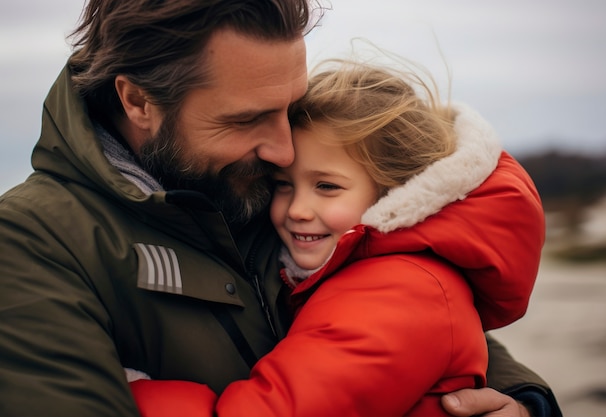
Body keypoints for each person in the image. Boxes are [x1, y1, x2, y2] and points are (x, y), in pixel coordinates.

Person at [0, 1, 561, 416]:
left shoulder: (268, 184)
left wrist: (522, 403)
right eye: (245, 120)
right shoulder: (32, 242)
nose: (283, 150)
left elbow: (415, 314)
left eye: (289, 109)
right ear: (138, 101)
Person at [127, 59, 553, 417]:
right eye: (282, 184)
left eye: (327, 186)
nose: (297, 209)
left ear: (397, 192)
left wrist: (127, 395)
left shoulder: (401, 292)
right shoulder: (372, 272)